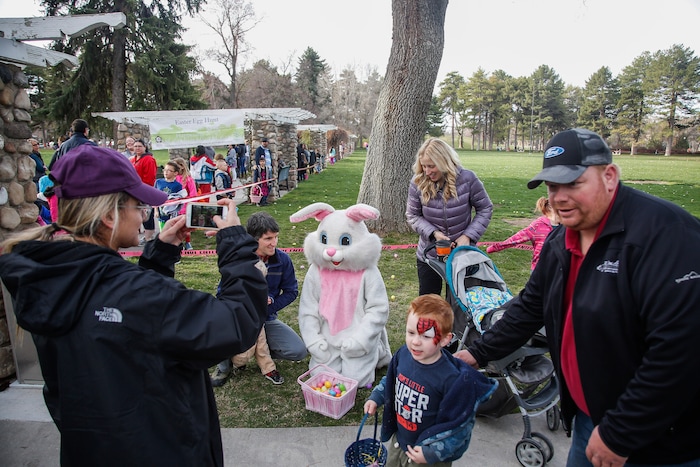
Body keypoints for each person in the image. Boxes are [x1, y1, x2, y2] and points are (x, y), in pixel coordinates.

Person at [0, 145, 268, 466]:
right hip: (162, 450)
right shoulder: (133, 293)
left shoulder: (50, 277)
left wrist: (158, 255)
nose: (143, 214)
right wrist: (236, 244)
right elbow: (234, 325)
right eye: (138, 204)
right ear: (109, 215)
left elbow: (120, 322)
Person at [456, 128, 700, 467]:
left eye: (573, 183)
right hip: (590, 420)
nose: (560, 197)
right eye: (553, 186)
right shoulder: (562, 241)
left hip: (657, 437)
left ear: (609, 176)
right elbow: (530, 306)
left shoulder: (667, 237)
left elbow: (681, 351)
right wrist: (477, 353)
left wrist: (622, 432)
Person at [364, 294, 496, 466]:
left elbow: (459, 427)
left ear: (444, 339)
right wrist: (377, 397)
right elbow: (390, 381)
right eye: (411, 333)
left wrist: (433, 451)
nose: (415, 342)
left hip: (429, 455)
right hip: (400, 442)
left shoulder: (452, 379)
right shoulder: (402, 355)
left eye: (426, 336)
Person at [210, 212, 307, 387]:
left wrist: (266, 309)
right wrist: (243, 312)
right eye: (268, 238)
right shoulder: (239, 260)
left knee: (298, 351)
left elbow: (291, 291)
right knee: (220, 329)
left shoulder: (283, 260)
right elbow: (221, 294)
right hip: (238, 319)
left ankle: (255, 350)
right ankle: (225, 365)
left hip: (266, 318)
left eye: (276, 237)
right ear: (254, 240)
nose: (274, 243)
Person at [405, 137, 493, 296]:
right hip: (429, 257)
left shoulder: (468, 179)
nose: (427, 171)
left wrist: (468, 236)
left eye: (432, 166)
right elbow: (412, 215)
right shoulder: (417, 182)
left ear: (444, 161)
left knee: (459, 307)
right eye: (424, 166)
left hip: (462, 256)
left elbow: (485, 208)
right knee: (430, 307)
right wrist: (433, 234)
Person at [486, 196, 559, 270]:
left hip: (560, 271)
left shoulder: (566, 226)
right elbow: (517, 238)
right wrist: (496, 247)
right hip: (540, 270)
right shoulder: (537, 226)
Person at [129, 139, 158, 243]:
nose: (137, 148)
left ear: (145, 147)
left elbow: (150, 178)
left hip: (144, 190)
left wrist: (143, 190)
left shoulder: (149, 159)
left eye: (139, 146)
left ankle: (148, 237)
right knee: (136, 213)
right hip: (133, 191)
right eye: (135, 146)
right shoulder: (133, 159)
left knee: (147, 215)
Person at [173, 157, 197, 250]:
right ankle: (178, 243)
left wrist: (191, 204)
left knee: (185, 226)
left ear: (182, 166)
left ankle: (188, 242)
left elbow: (193, 193)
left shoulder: (188, 179)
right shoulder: (173, 179)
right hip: (175, 207)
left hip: (185, 207)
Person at [154, 160, 183, 230]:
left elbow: (179, 200)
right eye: (165, 170)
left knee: (171, 231)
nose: (166, 172)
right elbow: (155, 197)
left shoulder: (178, 185)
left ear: (175, 173)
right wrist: (156, 210)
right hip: (161, 212)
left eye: (169, 170)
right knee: (162, 231)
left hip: (172, 214)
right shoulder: (158, 182)